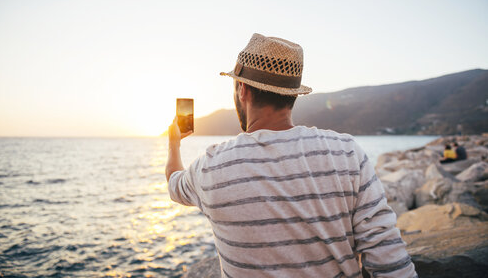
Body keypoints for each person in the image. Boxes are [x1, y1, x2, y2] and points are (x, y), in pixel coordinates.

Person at [166, 33, 417, 277]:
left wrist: (174, 144)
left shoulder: (211, 166)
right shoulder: (347, 152)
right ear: (293, 94)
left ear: (242, 89)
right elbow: (389, 260)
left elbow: (174, 183)